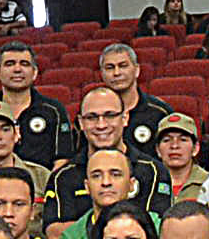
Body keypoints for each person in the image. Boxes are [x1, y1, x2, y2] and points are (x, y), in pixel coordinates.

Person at [49, 88, 172, 231]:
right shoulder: (62, 176)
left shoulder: (154, 172)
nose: (101, 125)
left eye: (110, 115)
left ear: (125, 118)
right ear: (81, 123)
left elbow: (158, 228)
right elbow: (54, 233)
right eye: (92, 117)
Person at [55, 149, 148, 239]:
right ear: (87, 186)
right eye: (97, 176)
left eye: (115, 174)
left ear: (132, 184)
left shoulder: (155, 228)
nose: (106, 182)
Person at [0, 41, 73, 171]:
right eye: (10, 64)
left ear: (34, 73)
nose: (17, 69)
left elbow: (62, 159)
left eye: (24, 64)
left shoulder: (54, 111)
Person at [98, 42, 177, 164]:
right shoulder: (93, 114)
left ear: (137, 70)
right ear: (101, 74)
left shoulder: (160, 112)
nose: (116, 73)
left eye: (123, 66)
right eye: (110, 67)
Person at [155, 113, 209, 204]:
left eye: (183, 140)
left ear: (196, 148)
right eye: (166, 140)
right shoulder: (149, 181)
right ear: (158, 150)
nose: (174, 146)